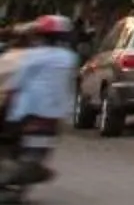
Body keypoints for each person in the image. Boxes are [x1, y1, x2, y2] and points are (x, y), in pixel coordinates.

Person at [2, 15, 79, 153]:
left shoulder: (33, 55)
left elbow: (18, 80)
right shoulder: (69, 58)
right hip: (55, 114)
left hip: (27, 111)